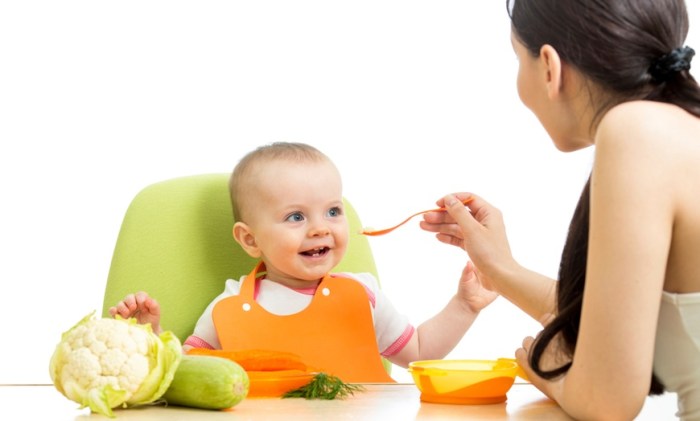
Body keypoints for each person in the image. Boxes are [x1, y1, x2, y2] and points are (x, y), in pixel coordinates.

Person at [421, 0, 700, 418]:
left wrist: (543, 364)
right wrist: (500, 268)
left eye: (519, 59)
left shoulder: (636, 133)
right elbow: (618, 315)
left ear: (549, 66)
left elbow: (606, 402)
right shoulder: (674, 127)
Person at [110, 141, 497, 382]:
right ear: (250, 239)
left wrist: (465, 305)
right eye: (296, 217)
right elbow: (187, 374)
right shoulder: (228, 308)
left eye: (332, 210)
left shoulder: (363, 294)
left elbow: (420, 353)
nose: (320, 229)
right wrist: (148, 337)